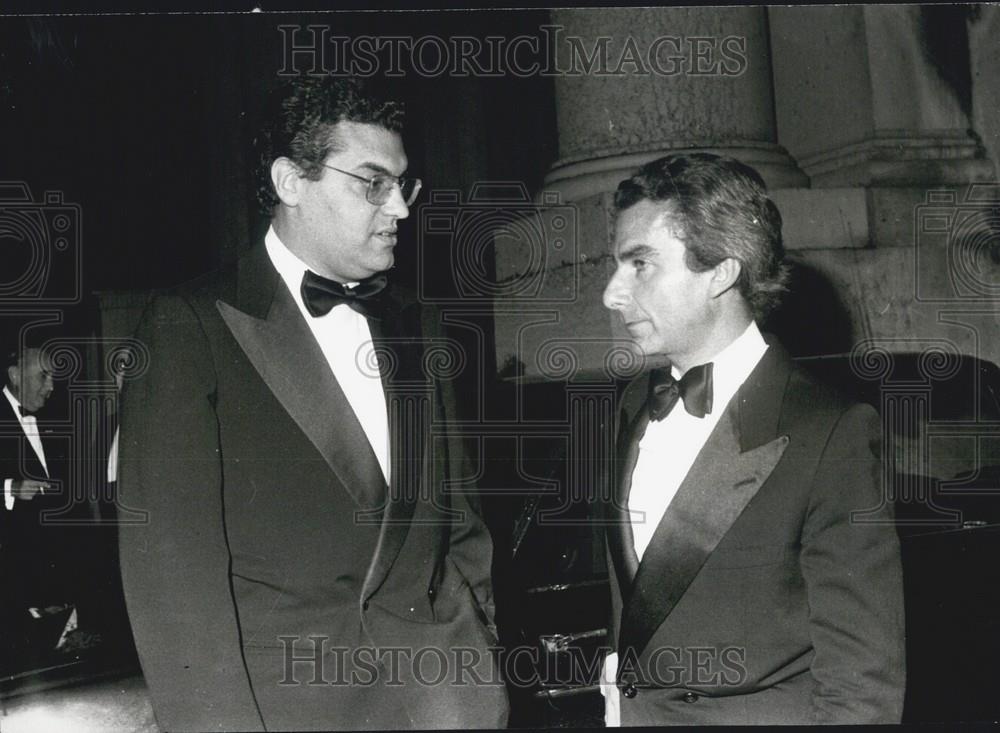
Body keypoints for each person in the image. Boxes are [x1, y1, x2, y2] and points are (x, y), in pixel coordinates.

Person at [118, 76, 508, 731]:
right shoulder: (189, 327)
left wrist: (479, 670)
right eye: (372, 182)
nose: (402, 209)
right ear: (291, 181)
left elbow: (461, 530)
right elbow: (174, 589)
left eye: (403, 184)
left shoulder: (422, 326)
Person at [599, 153, 905, 725]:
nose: (612, 294)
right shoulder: (634, 406)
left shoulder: (830, 430)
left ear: (722, 272)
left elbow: (862, 684)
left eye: (640, 264)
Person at [0, 343, 71, 669]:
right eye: (43, 376)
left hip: (45, 572)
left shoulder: (51, 417)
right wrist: (9, 488)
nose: (51, 386)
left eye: (54, 377)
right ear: (15, 375)